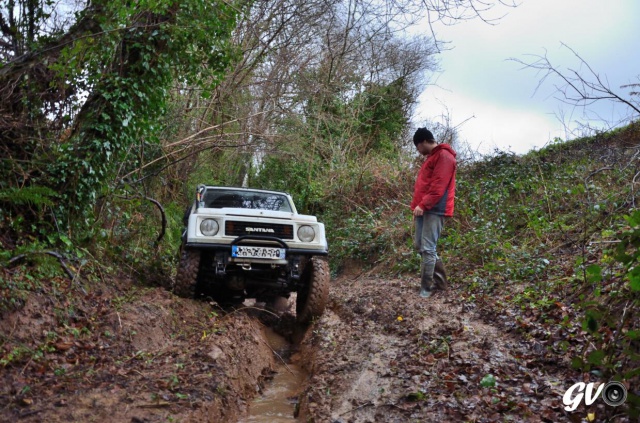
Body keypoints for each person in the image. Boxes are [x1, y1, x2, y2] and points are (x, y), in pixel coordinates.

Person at [410, 128, 457, 298]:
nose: (418, 151)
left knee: (428, 248)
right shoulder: (433, 157)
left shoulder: (444, 156)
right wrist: (418, 206)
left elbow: (438, 187)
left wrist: (423, 205)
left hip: (435, 209)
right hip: (424, 208)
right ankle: (440, 283)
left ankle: (426, 289)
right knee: (420, 246)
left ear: (422, 142)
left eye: (417, 147)